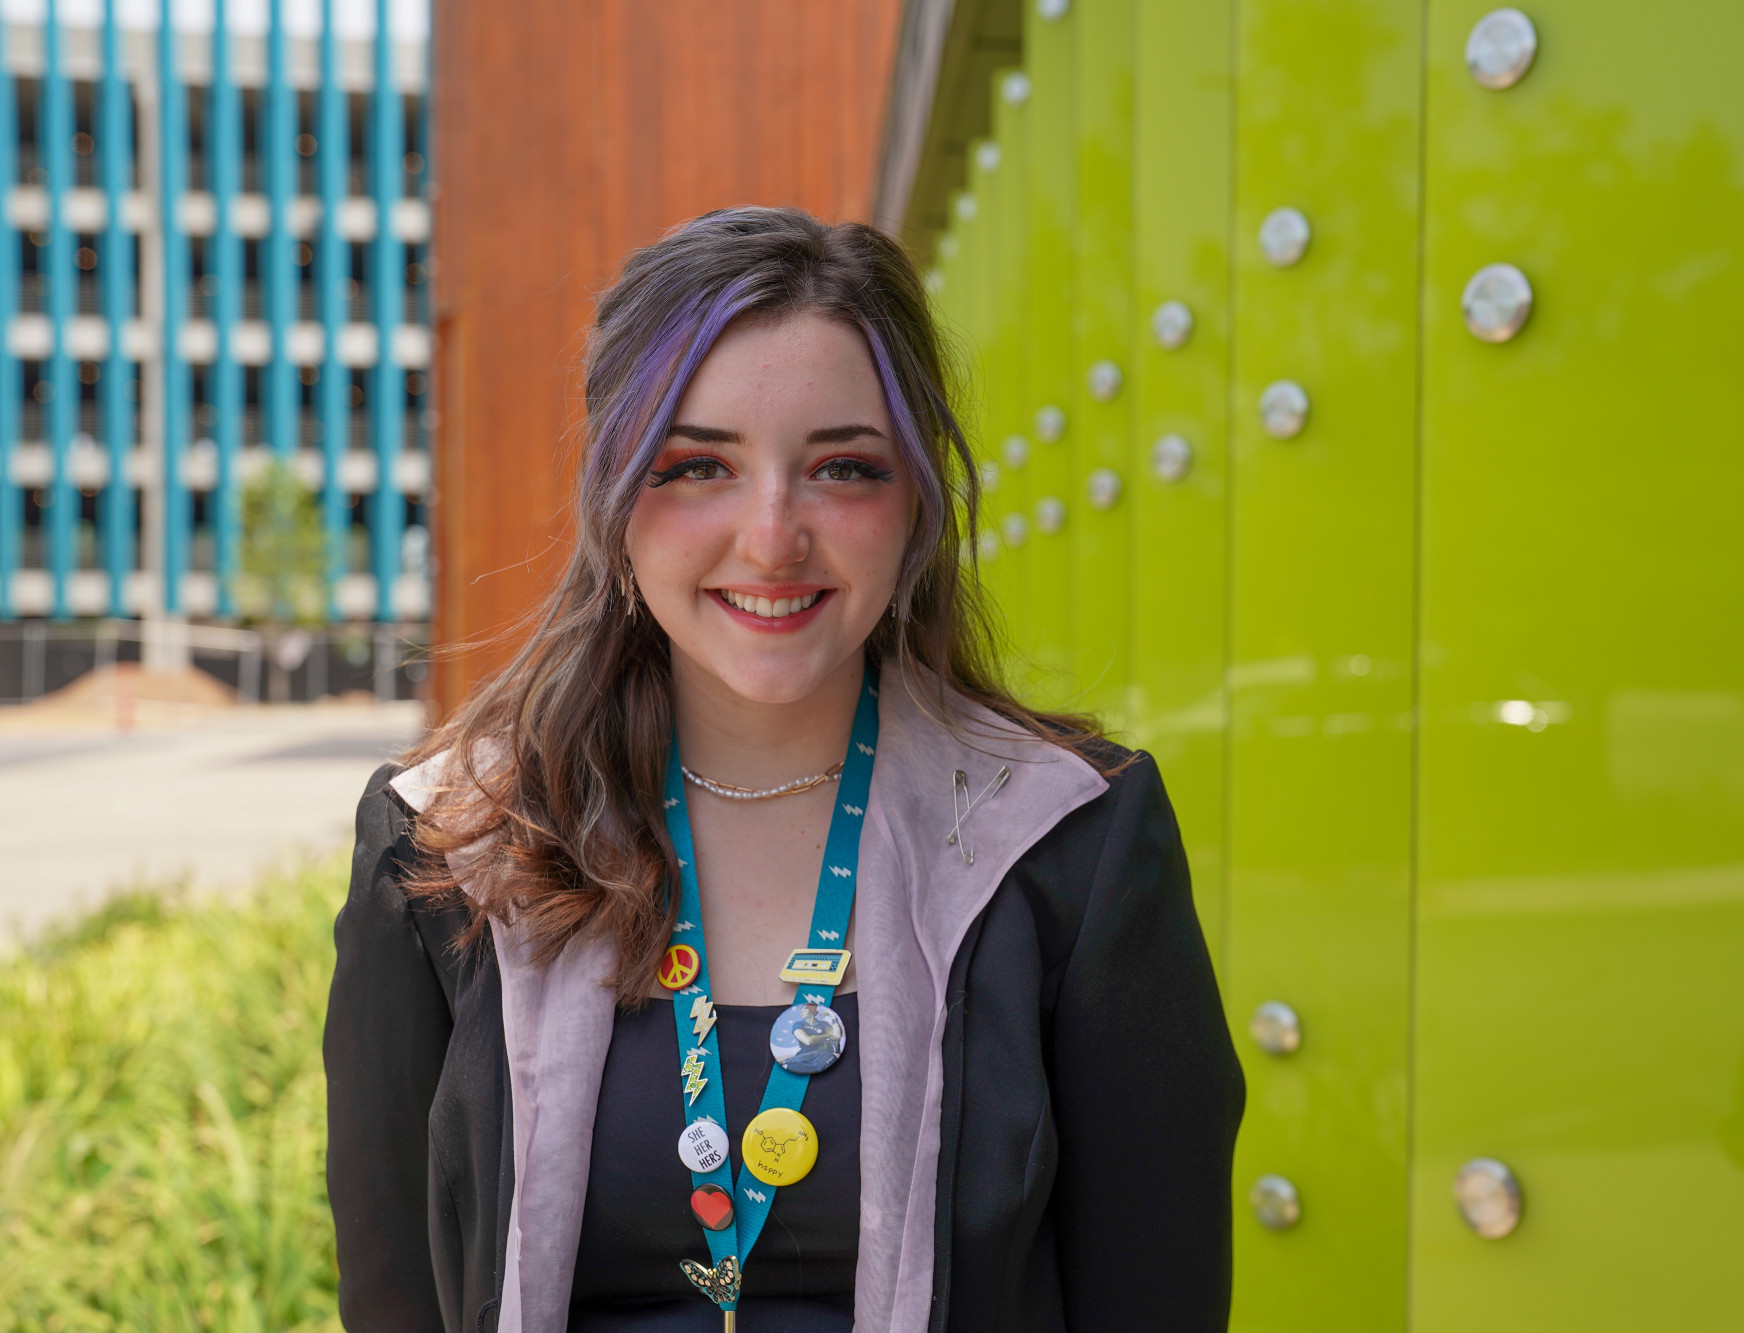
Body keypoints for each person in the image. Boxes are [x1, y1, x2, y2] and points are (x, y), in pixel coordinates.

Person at [323, 206, 1243, 1333]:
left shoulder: (1068, 844)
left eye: (842, 468)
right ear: (612, 512)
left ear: (914, 512)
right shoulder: (446, 848)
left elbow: (1152, 1297)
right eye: (697, 465)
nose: (771, 538)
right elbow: (397, 1304)